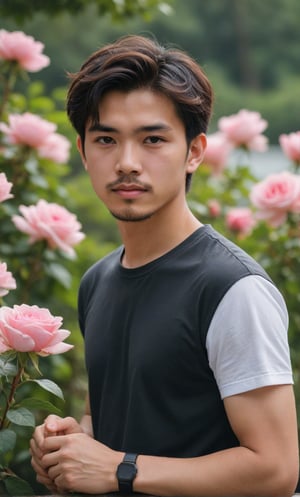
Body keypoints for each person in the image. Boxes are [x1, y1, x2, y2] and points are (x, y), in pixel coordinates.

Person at [30, 35, 299, 497]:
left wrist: (120, 469)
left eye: (153, 139)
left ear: (194, 151)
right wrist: (72, 449)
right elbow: (114, 430)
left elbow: (275, 471)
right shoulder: (97, 281)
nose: (127, 163)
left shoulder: (231, 288)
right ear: (83, 151)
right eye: (106, 140)